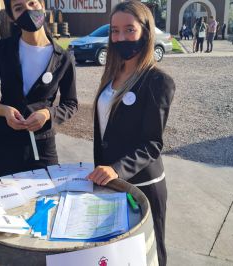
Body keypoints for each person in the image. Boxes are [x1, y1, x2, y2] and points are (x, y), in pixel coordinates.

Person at [86, 1, 176, 265]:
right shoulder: (111, 74)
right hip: (111, 182)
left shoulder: (158, 82)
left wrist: (116, 168)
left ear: (146, 32)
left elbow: (152, 144)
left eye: (129, 30)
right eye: (115, 31)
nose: (120, 38)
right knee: (118, 253)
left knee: (149, 254)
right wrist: (106, 171)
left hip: (142, 186)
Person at [0, 0, 78, 181]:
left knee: (46, 201)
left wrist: (47, 114)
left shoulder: (63, 58)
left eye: (32, 3)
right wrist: (4, 111)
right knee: (3, 204)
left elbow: (70, 104)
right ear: (12, 17)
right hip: (2, 144)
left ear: (43, 7)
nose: (28, 10)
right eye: (19, 8)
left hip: (41, 147)